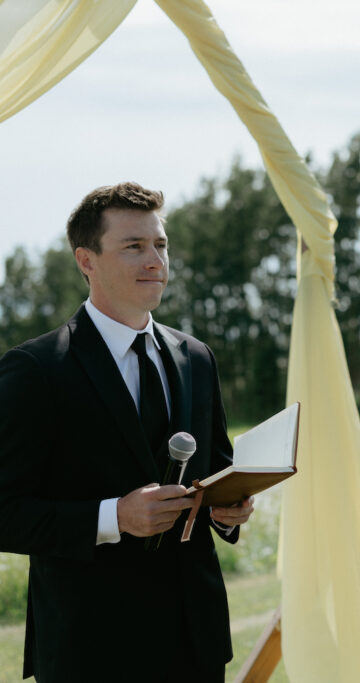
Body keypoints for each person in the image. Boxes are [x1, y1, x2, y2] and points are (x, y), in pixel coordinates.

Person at [0, 183, 254, 682]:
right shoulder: (35, 369)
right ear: (86, 260)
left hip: (196, 639)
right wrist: (113, 516)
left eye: (160, 245)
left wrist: (231, 509)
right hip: (91, 648)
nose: (154, 259)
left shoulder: (197, 358)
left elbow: (218, 470)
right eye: (133, 246)